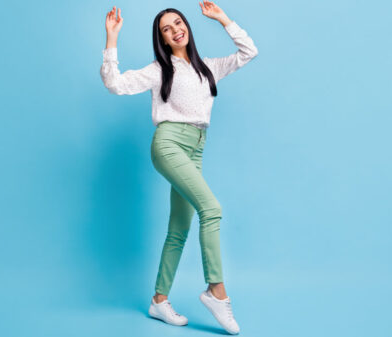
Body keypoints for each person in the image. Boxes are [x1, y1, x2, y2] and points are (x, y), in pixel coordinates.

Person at [100, 1, 258, 334]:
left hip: (197, 148)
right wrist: (111, 39)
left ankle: (159, 301)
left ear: (187, 26)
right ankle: (216, 291)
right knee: (211, 209)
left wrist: (223, 19)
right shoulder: (160, 69)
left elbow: (248, 52)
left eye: (178, 23)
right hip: (169, 143)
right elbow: (114, 83)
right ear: (162, 39)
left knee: (179, 229)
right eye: (166, 29)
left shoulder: (209, 67)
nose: (175, 30)